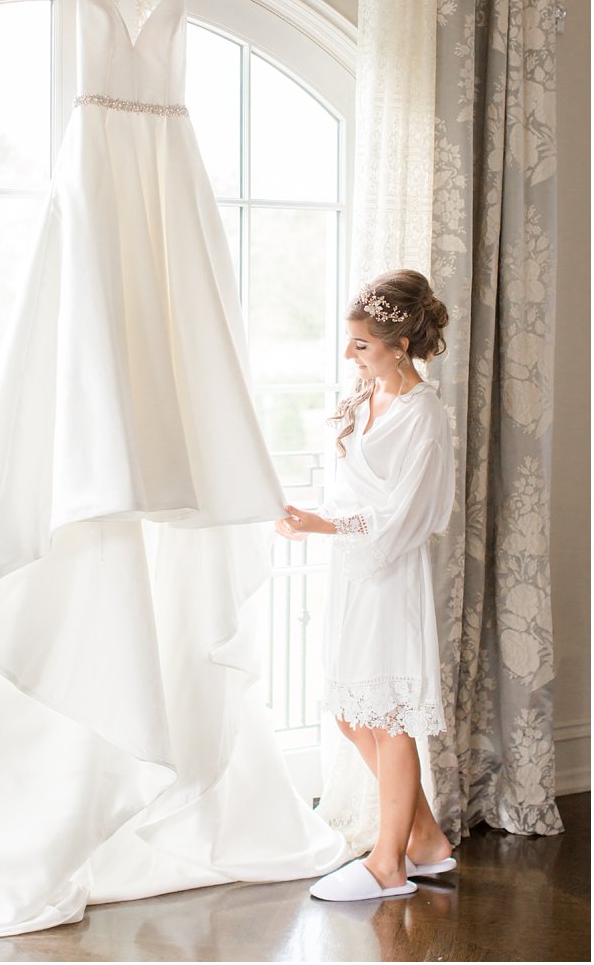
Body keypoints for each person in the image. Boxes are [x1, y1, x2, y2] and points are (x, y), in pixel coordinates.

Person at [277, 269, 457, 901]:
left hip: (390, 577)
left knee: (389, 719)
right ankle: (427, 841)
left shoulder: (424, 417)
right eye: (350, 342)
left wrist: (326, 523)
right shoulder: (366, 395)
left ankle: (388, 863)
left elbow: (409, 514)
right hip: (353, 572)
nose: (350, 354)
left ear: (400, 343)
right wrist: (313, 515)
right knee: (353, 714)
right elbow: (357, 487)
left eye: (361, 345)